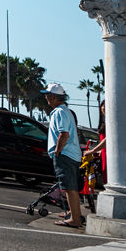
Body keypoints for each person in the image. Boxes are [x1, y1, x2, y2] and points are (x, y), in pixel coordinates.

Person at [44, 83, 83, 228]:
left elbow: (64, 134)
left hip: (65, 154)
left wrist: (57, 151)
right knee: (70, 187)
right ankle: (74, 214)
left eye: (48, 95)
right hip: (72, 154)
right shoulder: (65, 111)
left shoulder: (59, 112)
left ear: (54, 97)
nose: (46, 98)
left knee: (68, 187)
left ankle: (75, 219)